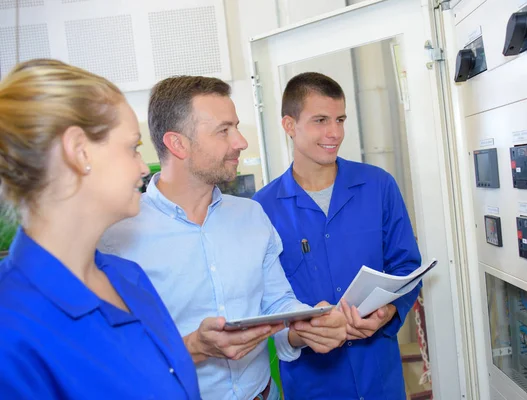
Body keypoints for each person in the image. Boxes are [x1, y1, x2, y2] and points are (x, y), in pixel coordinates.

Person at [99, 75, 347, 400]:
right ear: (178, 144)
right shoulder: (117, 235)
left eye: (237, 127)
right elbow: (111, 354)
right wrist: (192, 347)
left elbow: (276, 302)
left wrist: (307, 327)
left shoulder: (251, 215)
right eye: (224, 130)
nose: (241, 141)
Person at [0, 59, 201, 399]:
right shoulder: (11, 326)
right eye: (133, 147)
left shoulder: (128, 277)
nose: (142, 167)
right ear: (79, 152)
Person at [253, 72, 423, 399]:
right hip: (313, 384)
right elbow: (262, 305)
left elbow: (407, 268)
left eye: (340, 119)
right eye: (320, 120)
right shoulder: (261, 210)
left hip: (380, 377)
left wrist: (388, 312)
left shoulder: (378, 186)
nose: (334, 133)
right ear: (290, 125)